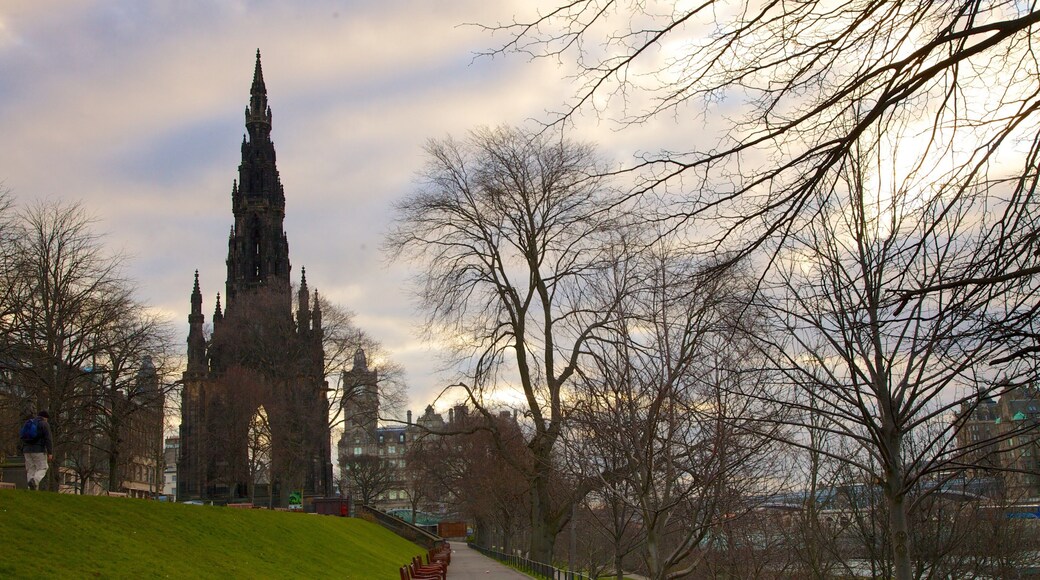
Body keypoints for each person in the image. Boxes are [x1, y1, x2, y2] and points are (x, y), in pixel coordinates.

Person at [21, 410, 53, 491]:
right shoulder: (44, 424)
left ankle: (31, 489)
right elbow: (48, 439)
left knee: (31, 469)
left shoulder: (28, 423)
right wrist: (50, 452)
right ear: (45, 418)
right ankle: (35, 481)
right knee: (43, 467)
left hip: (27, 450)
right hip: (39, 450)